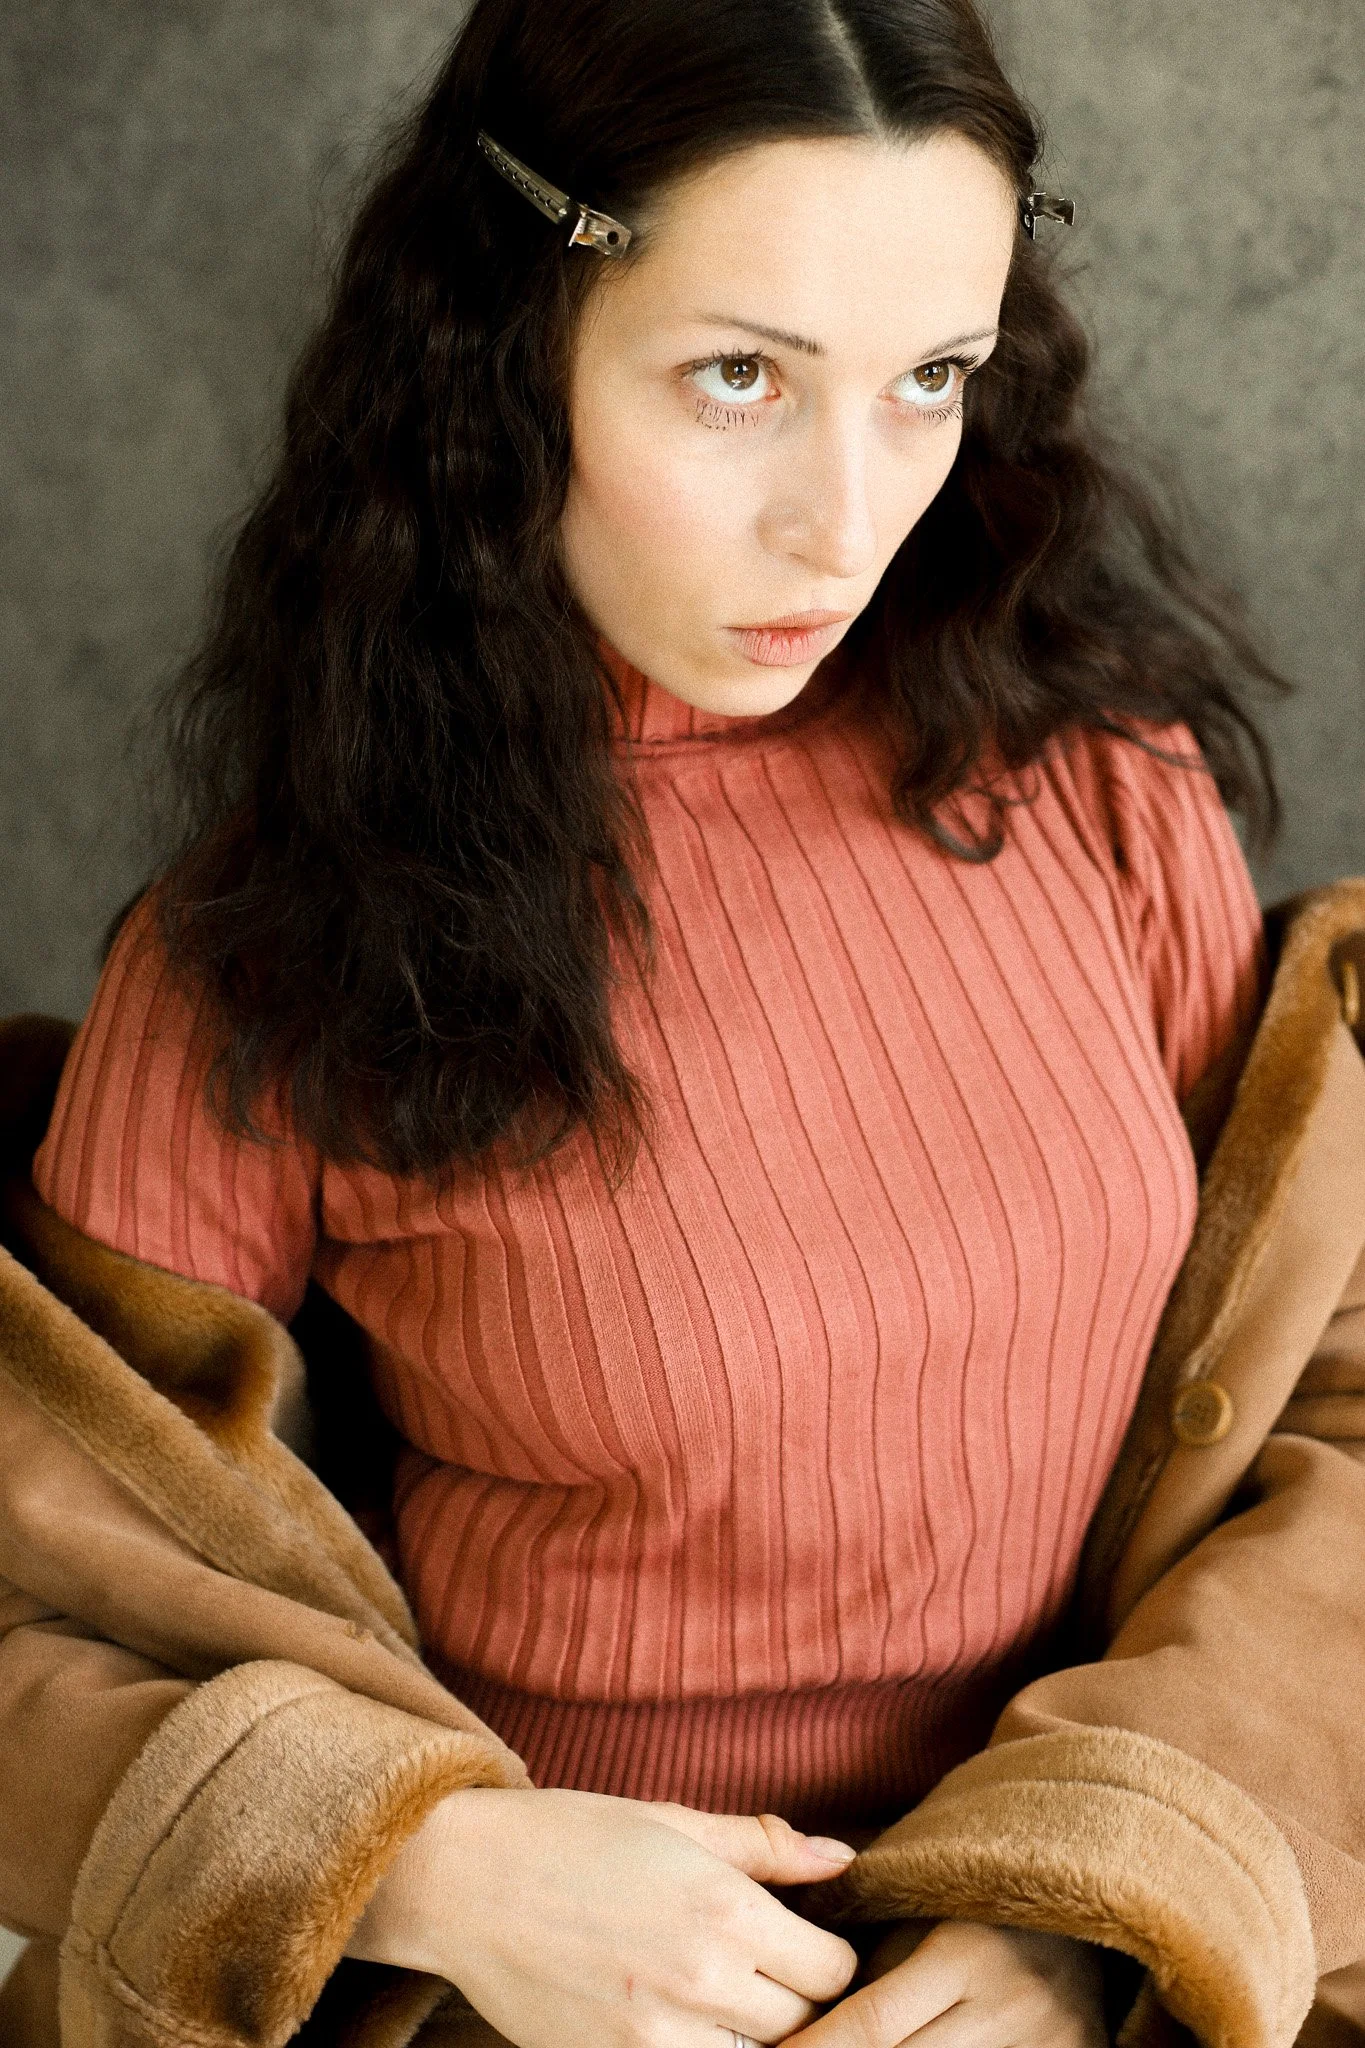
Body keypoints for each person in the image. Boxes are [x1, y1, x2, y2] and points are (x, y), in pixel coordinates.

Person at [14, 0, 1300, 2043]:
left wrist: (1103, 1892)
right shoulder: (267, 953)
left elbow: (1332, 1404)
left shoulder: (1100, 794)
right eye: (736, 377)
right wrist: (420, 1860)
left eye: (930, 380)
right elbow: (37, 1585)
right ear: (499, 360)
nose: (845, 518)